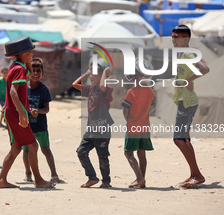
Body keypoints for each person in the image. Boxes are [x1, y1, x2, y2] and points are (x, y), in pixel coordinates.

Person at [0, 36, 55, 189]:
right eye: (30, 51)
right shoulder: (19, 69)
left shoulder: (17, 66)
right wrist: (22, 113)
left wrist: (25, 58)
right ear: (21, 53)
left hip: (12, 112)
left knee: (16, 148)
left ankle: (1, 180)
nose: (32, 54)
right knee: (33, 145)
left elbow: (28, 69)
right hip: (16, 113)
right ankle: (38, 180)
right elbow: (14, 92)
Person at [171, 25, 209, 188]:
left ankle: (198, 175)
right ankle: (194, 174)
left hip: (187, 102)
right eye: (172, 37)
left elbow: (205, 68)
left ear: (185, 38)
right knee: (185, 139)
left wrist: (189, 80)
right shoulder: (182, 54)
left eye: (176, 37)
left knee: (178, 139)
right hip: (183, 100)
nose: (173, 39)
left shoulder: (188, 53)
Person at [72, 58, 114, 188]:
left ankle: (106, 181)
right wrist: (87, 72)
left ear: (102, 75)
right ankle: (92, 177)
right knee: (81, 152)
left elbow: (102, 86)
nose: (91, 76)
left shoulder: (106, 89)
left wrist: (105, 74)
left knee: (102, 156)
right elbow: (75, 84)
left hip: (102, 130)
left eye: (95, 73)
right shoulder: (89, 89)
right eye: (91, 74)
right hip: (91, 130)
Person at [22, 57, 64, 184]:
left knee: (45, 149)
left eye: (38, 71)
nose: (35, 73)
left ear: (42, 73)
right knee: (26, 150)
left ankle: (54, 174)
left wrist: (38, 111)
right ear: (28, 73)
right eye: (33, 71)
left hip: (40, 126)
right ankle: (28, 173)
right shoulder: (23, 88)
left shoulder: (44, 89)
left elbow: (46, 109)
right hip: (26, 126)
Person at [121, 59, 155, 189]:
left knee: (128, 153)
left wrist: (128, 122)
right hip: (145, 127)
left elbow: (126, 111)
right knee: (142, 154)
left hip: (133, 127)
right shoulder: (151, 91)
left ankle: (139, 178)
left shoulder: (131, 92)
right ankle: (142, 180)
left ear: (136, 75)